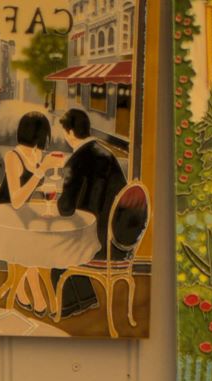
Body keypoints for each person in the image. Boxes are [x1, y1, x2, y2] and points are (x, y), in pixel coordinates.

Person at [54, 107, 127, 316]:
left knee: (55, 250)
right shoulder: (106, 154)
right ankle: (86, 299)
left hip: (96, 241)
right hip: (118, 238)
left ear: (69, 132)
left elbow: (66, 208)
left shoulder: (76, 161)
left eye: (64, 132)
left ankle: (68, 305)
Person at [1, 112, 59, 314]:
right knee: (31, 242)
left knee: (40, 236)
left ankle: (26, 287)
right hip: (3, 213)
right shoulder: (12, 157)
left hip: (22, 213)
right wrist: (42, 170)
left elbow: (33, 190)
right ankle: (35, 291)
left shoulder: (37, 154)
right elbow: (16, 200)